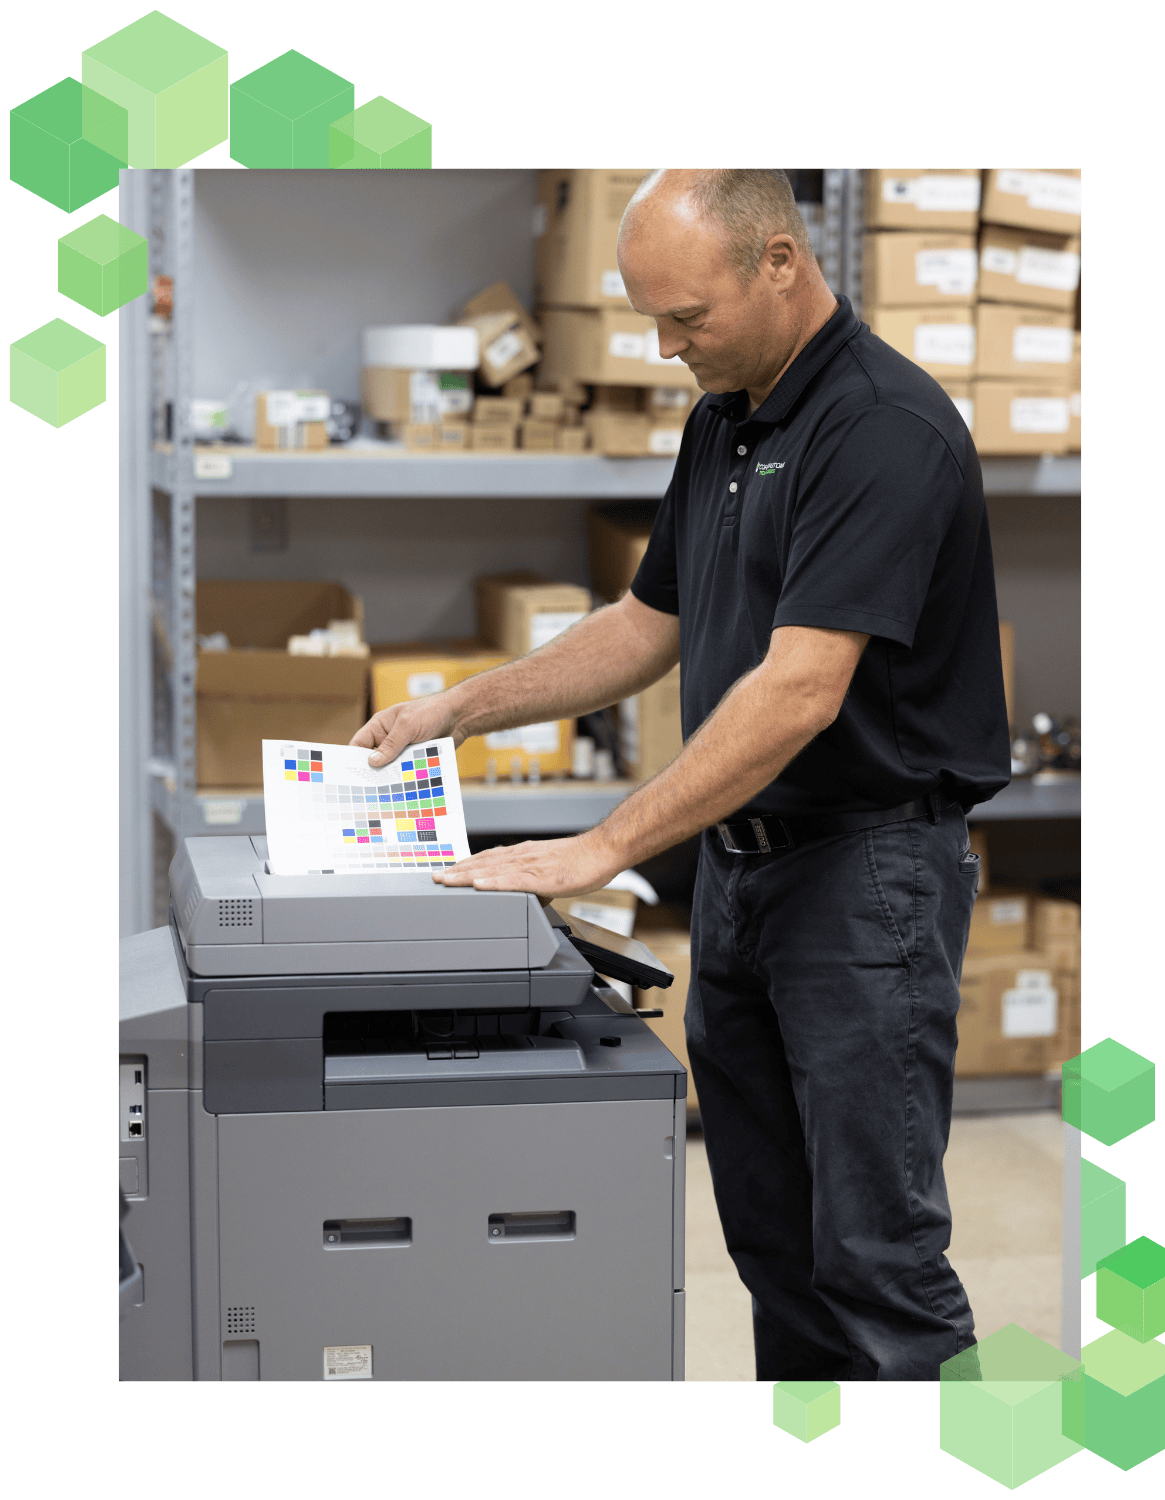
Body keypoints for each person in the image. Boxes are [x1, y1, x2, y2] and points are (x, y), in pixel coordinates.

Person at [352, 168, 1010, 1382]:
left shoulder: (883, 429)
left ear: (781, 263)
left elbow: (802, 689)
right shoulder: (729, 414)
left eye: (685, 319)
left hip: (867, 884)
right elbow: (644, 623)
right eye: (650, 318)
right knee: (772, 1244)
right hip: (745, 877)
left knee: (877, 1259)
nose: (663, 349)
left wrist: (602, 846)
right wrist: (456, 708)